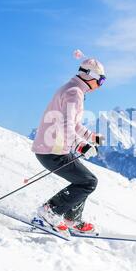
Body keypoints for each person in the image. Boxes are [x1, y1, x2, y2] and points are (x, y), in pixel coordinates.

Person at [32, 58, 106, 233]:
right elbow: (67, 126)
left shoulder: (73, 89)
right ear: (90, 76)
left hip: (53, 148)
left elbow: (73, 124)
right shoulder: (74, 93)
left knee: (86, 180)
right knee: (88, 182)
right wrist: (81, 146)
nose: (101, 85)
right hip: (52, 151)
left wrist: (92, 138)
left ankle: (71, 218)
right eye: (101, 80)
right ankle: (49, 211)